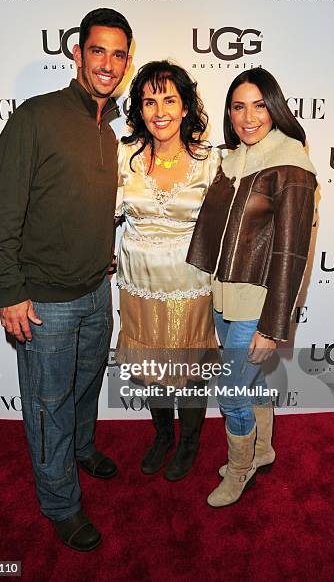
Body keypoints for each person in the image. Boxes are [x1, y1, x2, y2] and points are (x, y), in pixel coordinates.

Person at [0, 8, 132, 551]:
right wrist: (10, 291)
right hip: (44, 301)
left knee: (86, 385)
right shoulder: (36, 117)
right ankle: (59, 503)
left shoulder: (110, 134)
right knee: (48, 407)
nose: (108, 63)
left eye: (119, 54)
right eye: (98, 50)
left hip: (96, 292)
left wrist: (102, 256)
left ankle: (83, 448)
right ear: (77, 53)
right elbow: (3, 212)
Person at [187, 68, 317, 506]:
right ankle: (261, 449)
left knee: (232, 392)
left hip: (257, 304)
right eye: (239, 106)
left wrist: (271, 325)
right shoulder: (232, 160)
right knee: (249, 380)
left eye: (259, 105)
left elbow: (292, 252)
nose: (248, 117)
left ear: (275, 107)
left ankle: (240, 468)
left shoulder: (291, 163)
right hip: (224, 296)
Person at [115, 60, 220, 481]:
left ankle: (190, 441)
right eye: (149, 101)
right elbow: (103, 213)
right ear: (139, 110)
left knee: (189, 369)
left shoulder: (209, 160)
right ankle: (162, 436)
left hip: (190, 285)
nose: (159, 110)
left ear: (185, 107)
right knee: (151, 368)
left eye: (169, 100)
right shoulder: (126, 157)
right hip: (138, 282)